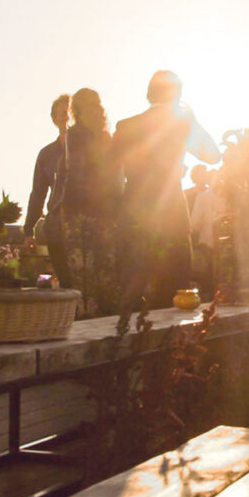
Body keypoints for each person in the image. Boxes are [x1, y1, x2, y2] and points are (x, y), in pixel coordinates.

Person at [114, 71, 220, 311]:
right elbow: (213, 155)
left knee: (132, 287)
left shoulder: (125, 126)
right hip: (170, 211)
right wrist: (193, 120)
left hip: (133, 212)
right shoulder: (181, 124)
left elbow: (109, 172)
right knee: (174, 287)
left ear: (149, 94)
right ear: (178, 95)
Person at [61, 88, 123, 317]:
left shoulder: (80, 135)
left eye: (97, 103)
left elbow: (76, 174)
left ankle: (93, 318)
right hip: (97, 211)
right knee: (102, 269)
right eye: (92, 104)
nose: (97, 108)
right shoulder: (91, 136)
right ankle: (106, 319)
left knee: (88, 272)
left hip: (84, 211)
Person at [23, 94, 72, 288]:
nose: (65, 116)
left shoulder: (89, 149)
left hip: (85, 224)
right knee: (66, 281)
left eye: (69, 111)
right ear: (53, 119)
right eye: (61, 113)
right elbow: (38, 193)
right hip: (56, 227)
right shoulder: (46, 154)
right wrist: (29, 230)